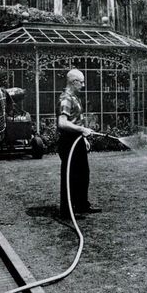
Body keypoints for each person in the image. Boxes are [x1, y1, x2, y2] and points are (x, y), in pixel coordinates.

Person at [57, 68, 101, 218]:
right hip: (68, 142)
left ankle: (82, 205)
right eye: (81, 82)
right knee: (70, 175)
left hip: (77, 140)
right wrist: (82, 129)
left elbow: (74, 120)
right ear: (74, 82)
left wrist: (83, 138)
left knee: (83, 174)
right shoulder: (66, 99)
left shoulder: (75, 97)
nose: (83, 85)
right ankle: (67, 210)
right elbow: (62, 123)